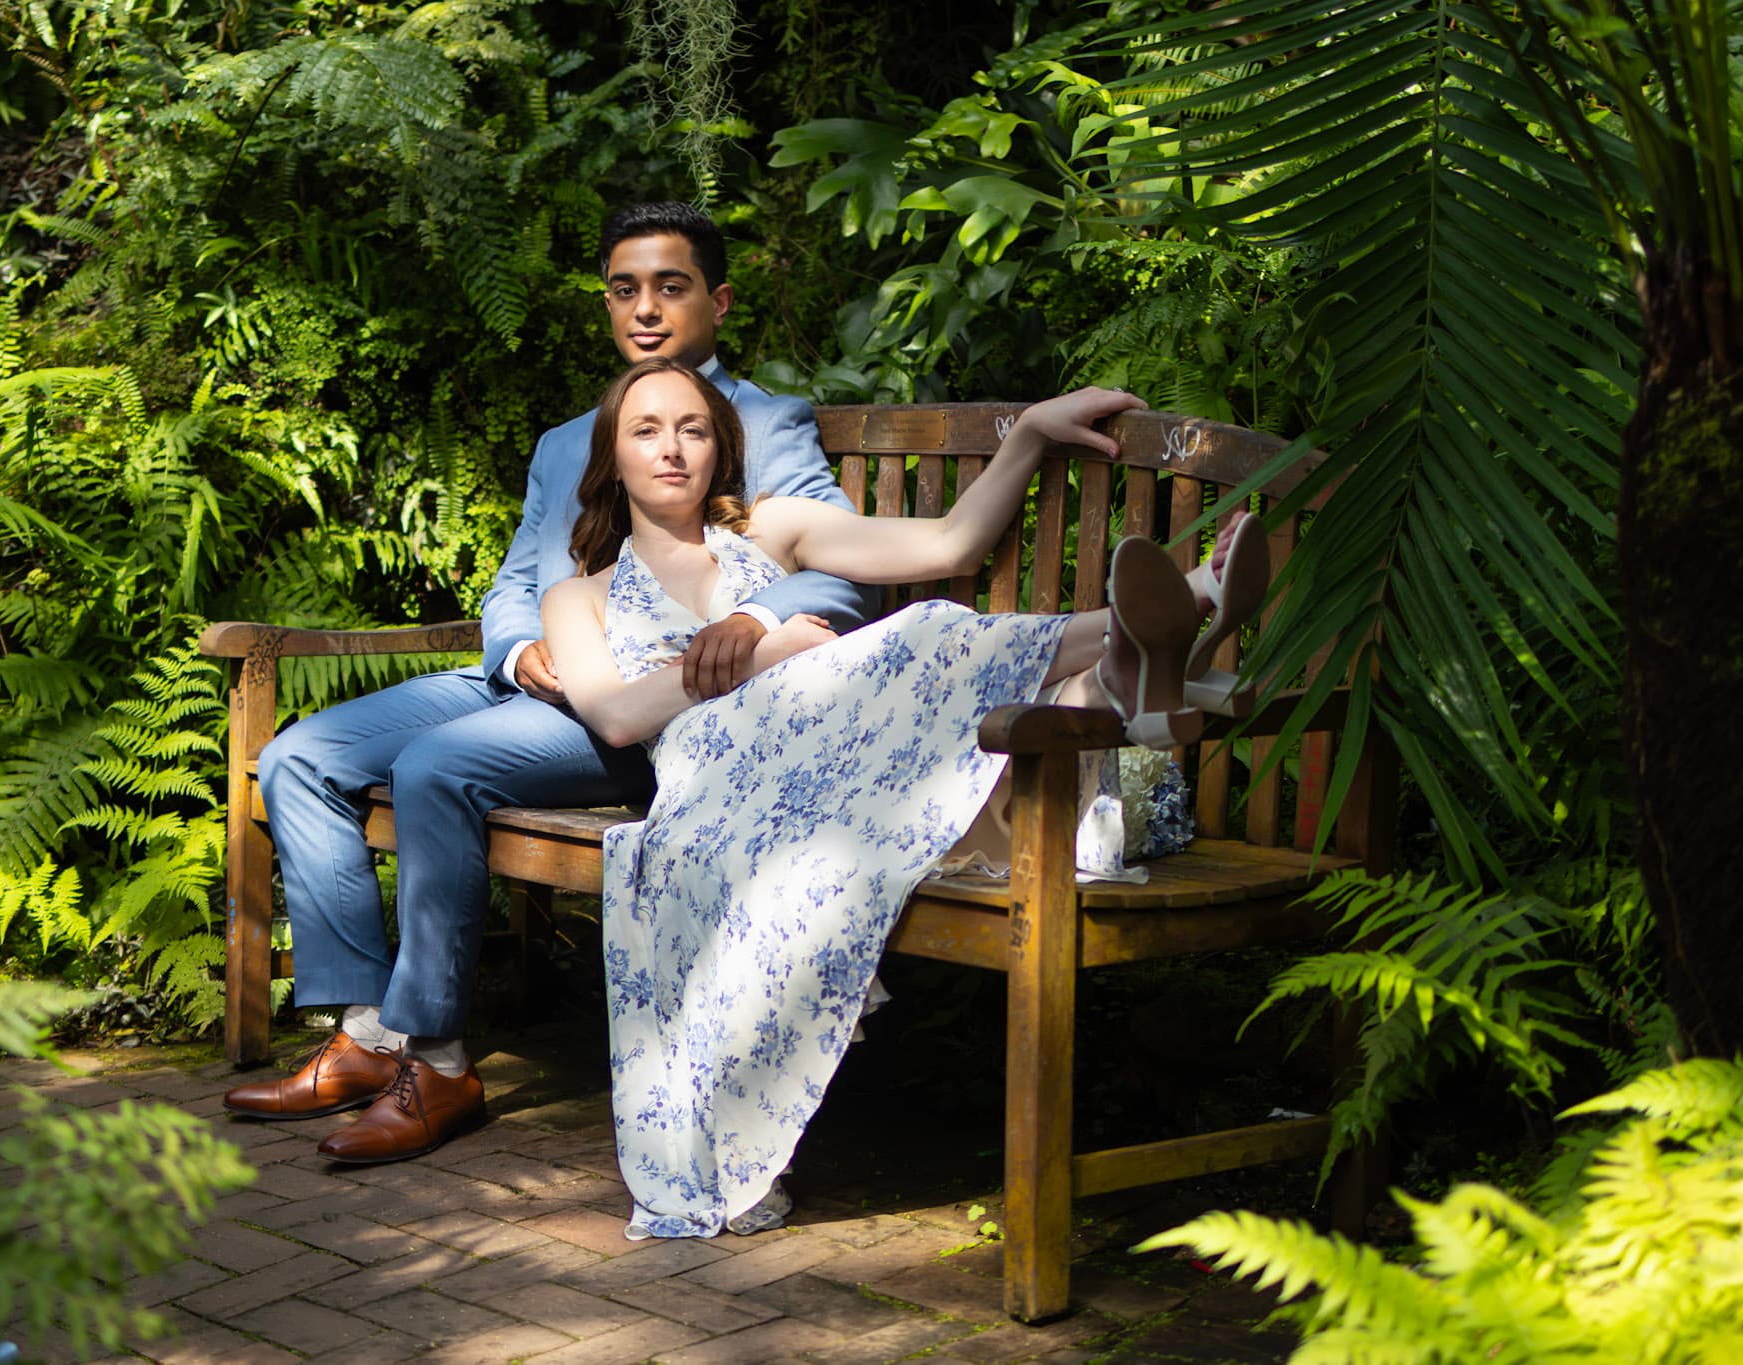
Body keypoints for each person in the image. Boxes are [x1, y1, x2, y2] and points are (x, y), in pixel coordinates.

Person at [540, 356, 1267, 1237]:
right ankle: (1153, 642)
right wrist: (765, 652)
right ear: (609, 457)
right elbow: (617, 716)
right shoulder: (576, 595)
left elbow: (951, 545)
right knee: (923, 636)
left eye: (692, 429)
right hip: (714, 774)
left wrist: (1031, 430)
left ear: (720, 448)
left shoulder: (773, 530)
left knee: (928, 626)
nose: (671, 449)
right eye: (645, 431)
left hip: (833, 759)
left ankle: (1141, 648)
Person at [222, 204, 874, 1164]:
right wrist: (520, 648)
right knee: (302, 754)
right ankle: (370, 1036)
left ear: (719, 300)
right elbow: (519, 579)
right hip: (537, 679)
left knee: (439, 768)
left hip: (649, 709)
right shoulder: (571, 439)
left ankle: (439, 1065)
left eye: (671, 286)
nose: (644, 308)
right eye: (624, 289)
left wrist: (753, 618)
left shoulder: (765, 423)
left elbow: (836, 566)